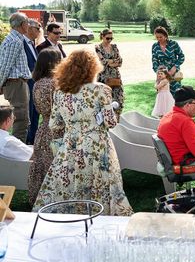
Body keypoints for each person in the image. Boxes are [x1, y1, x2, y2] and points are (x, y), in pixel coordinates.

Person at [33, 50, 133, 216]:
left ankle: (73, 219)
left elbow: (55, 125)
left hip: (70, 146)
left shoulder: (60, 92)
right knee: (100, 185)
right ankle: (101, 217)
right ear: (93, 68)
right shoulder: (101, 90)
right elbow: (110, 122)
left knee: (71, 184)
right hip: (97, 146)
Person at [28, 48, 63, 205]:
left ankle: (40, 198)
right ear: (52, 64)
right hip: (57, 130)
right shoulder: (55, 84)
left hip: (43, 129)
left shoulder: (36, 83)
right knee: (55, 164)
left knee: (42, 164)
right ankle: (55, 200)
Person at [0, 12, 32, 143]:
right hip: (16, 84)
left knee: (22, 119)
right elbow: (5, 66)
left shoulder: (16, 39)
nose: (29, 25)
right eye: (28, 23)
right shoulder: (14, 41)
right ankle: (16, 156)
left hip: (18, 84)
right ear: (22, 24)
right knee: (20, 119)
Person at [95, 29, 124, 119]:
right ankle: (106, 121)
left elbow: (120, 61)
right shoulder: (98, 47)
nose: (110, 40)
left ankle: (116, 120)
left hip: (115, 76)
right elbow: (103, 62)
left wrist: (110, 62)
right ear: (102, 37)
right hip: (104, 77)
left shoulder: (114, 47)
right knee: (104, 99)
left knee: (119, 98)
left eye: (111, 38)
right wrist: (113, 61)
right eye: (107, 38)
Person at [151, 26, 185, 95]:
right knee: (163, 96)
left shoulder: (173, 44)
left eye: (161, 37)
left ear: (165, 35)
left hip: (174, 74)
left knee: (176, 96)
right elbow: (154, 60)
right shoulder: (155, 46)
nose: (159, 39)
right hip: (162, 75)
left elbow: (181, 56)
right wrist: (158, 72)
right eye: (157, 37)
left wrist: (175, 67)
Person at [24, 19, 41, 144]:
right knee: (28, 114)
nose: (39, 31)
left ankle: (33, 139)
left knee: (35, 112)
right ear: (29, 28)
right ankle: (27, 140)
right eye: (37, 29)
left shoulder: (32, 43)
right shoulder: (22, 43)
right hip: (27, 84)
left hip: (35, 83)